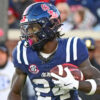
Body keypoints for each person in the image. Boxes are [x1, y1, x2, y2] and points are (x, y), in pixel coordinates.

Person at [8, 2, 100, 100]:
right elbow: (14, 92)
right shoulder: (24, 52)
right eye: (26, 29)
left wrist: (76, 84)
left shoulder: (71, 48)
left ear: (50, 26)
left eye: (33, 28)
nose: (28, 34)